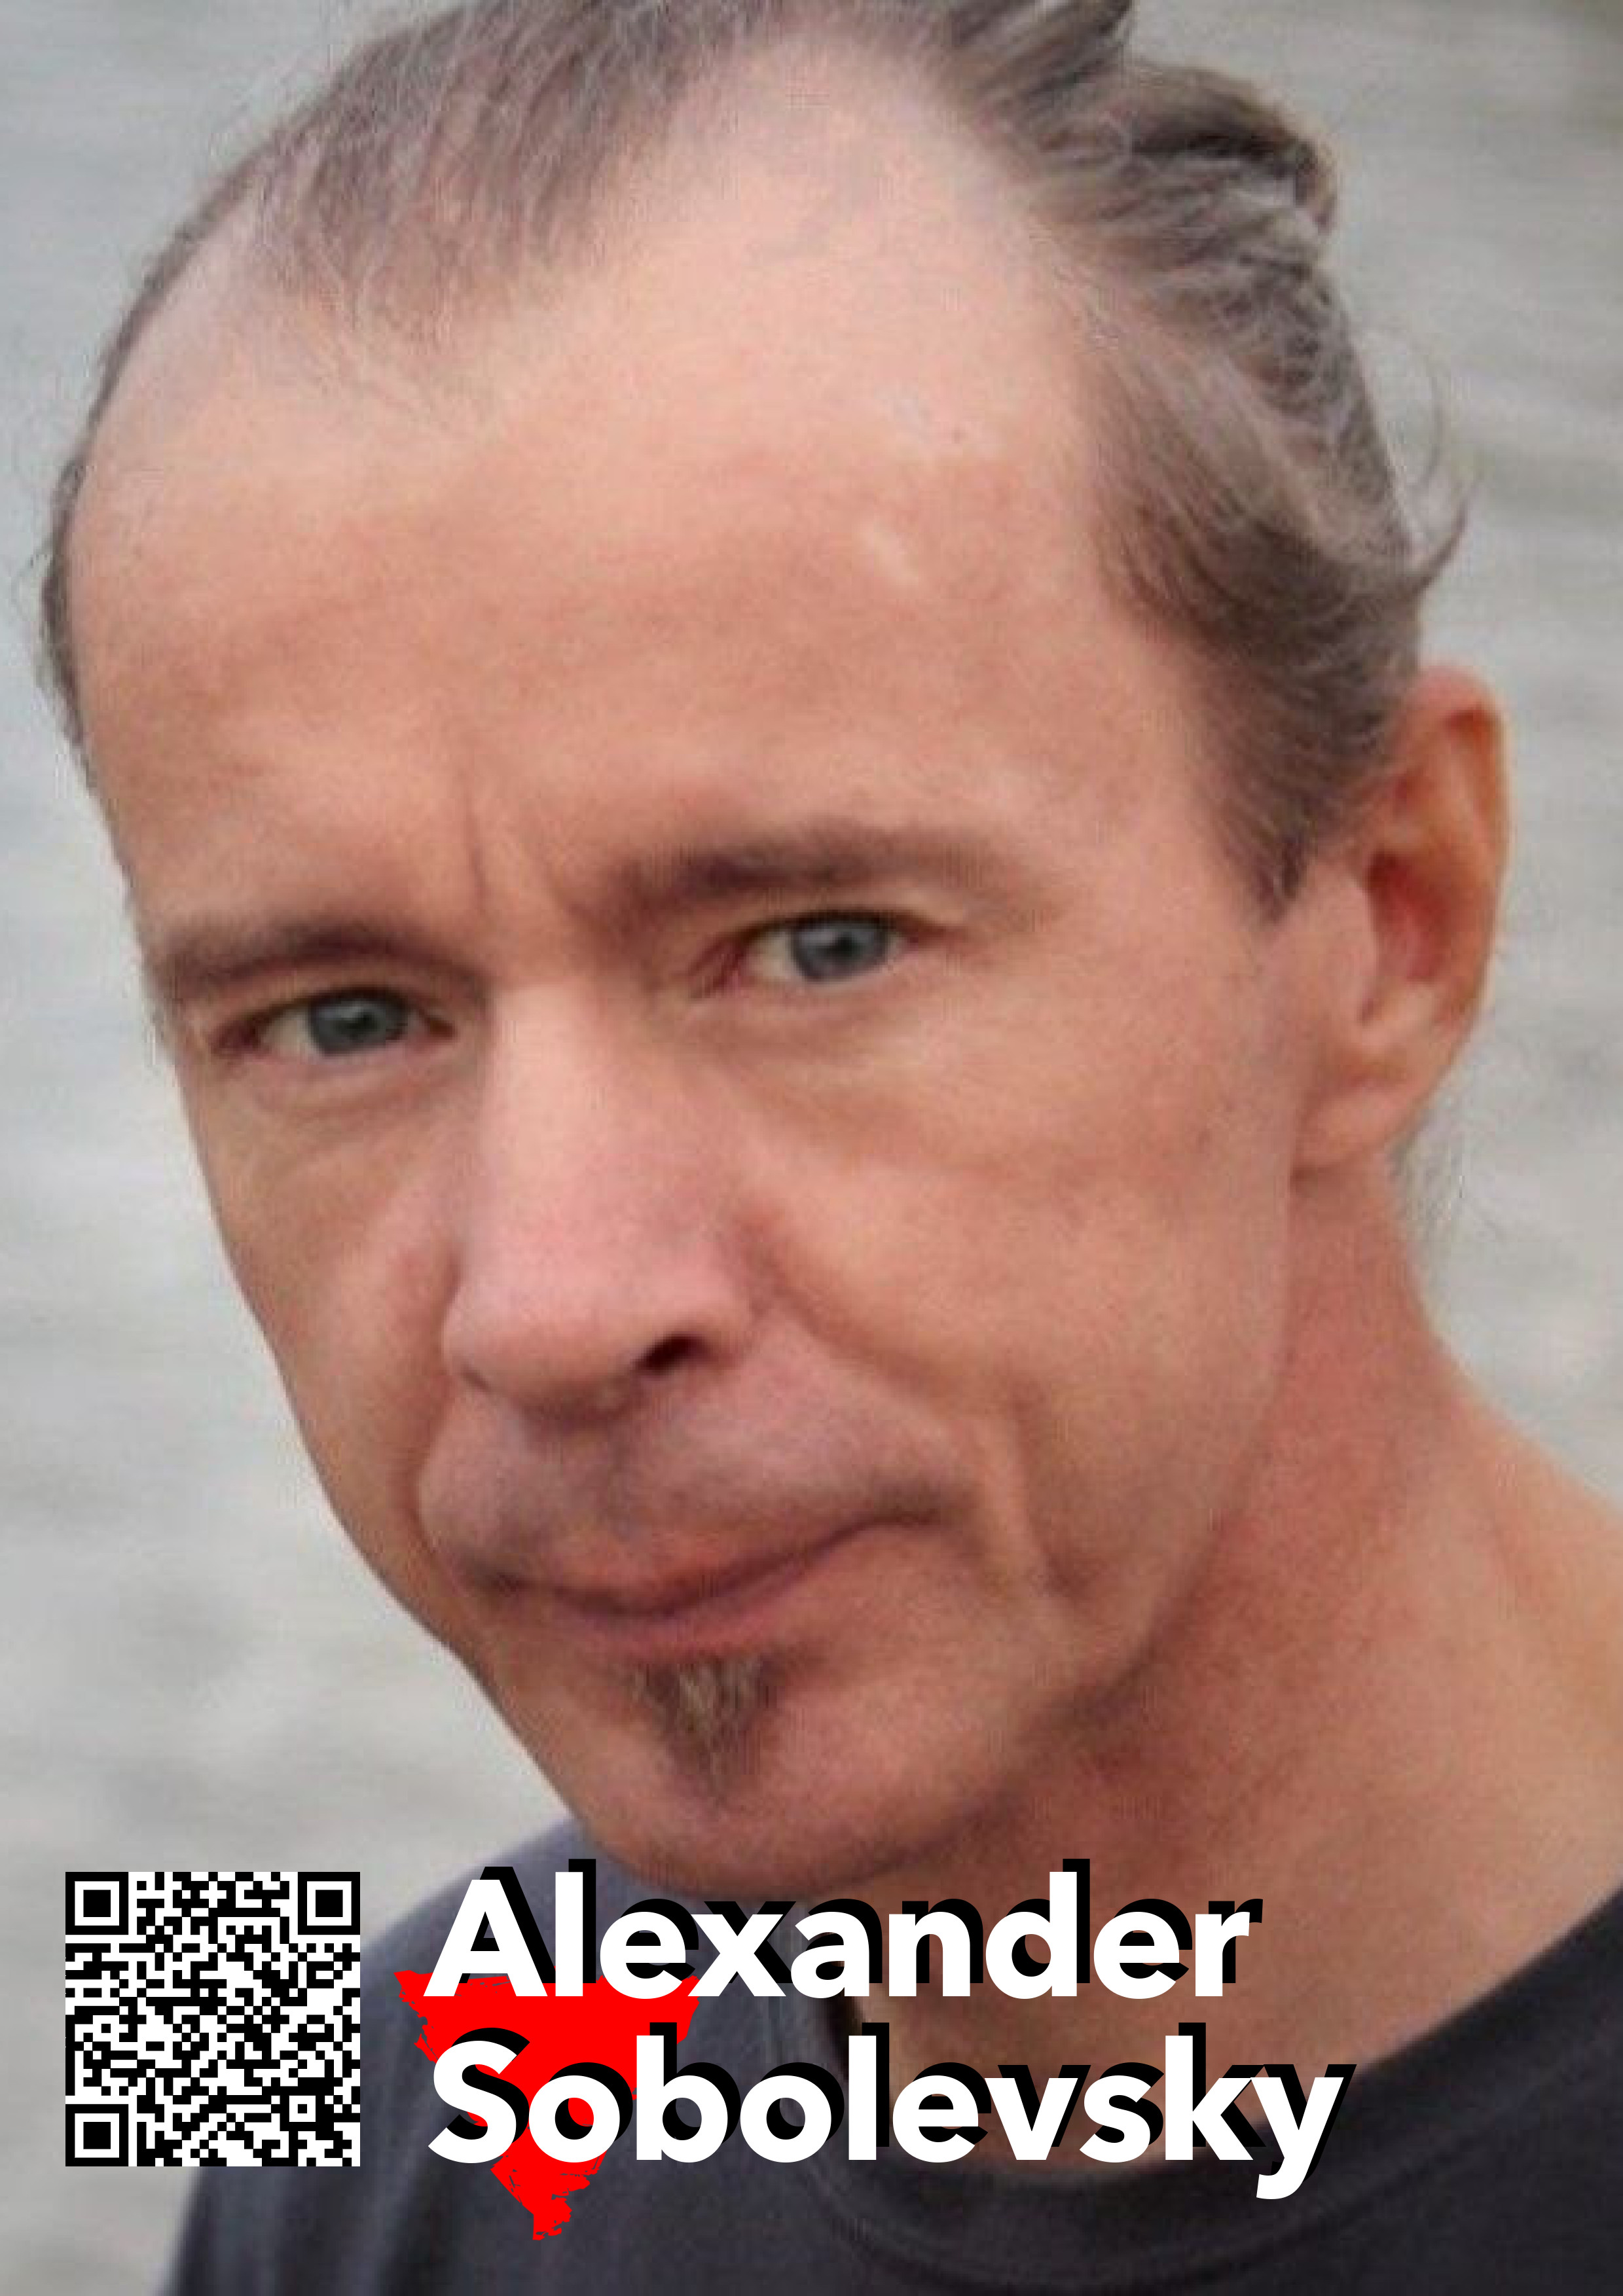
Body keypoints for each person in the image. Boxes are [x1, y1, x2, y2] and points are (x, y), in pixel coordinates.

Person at [41, 0, 1623, 2286]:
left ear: (1393, 913)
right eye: (346, 1017)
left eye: (818, 948)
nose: (549, 1305)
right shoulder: (338, 2115)